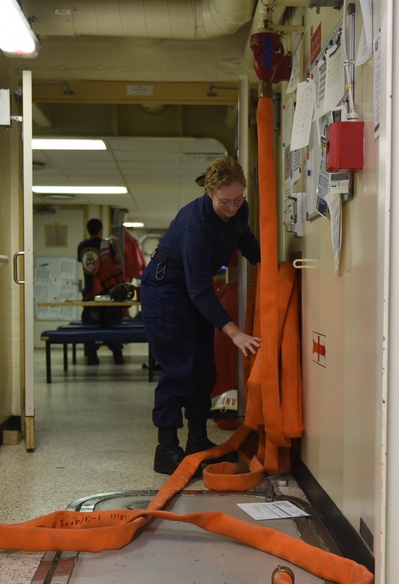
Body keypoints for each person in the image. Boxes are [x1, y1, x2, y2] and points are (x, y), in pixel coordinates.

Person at [140, 156, 262, 474]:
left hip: (191, 290)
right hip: (166, 290)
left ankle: (197, 441)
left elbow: (247, 242)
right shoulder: (196, 225)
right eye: (225, 202)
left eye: (239, 199)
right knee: (179, 370)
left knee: (203, 369)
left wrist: (276, 268)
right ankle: (166, 450)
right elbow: (199, 290)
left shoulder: (239, 211)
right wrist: (234, 332)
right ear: (210, 193)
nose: (233, 207)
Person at [77, 218, 125, 365]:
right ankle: (117, 355)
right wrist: (116, 247)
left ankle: (91, 355)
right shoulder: (106, 244)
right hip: (107, 290)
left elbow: (85, 264)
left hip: (90, 291)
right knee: (112, 322)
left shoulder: (82, 246)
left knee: (90, 322)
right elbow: (119, 263)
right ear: (100, 230)